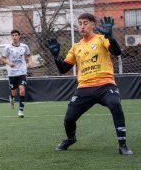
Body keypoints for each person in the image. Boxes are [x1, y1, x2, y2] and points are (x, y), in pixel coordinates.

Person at [45, 14, 132, 155]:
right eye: (80, 23)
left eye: (85, 23)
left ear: (93, 24)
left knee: (115, 104)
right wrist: (56, 57)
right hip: (84, 88)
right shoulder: (76, 47)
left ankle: (123, 145)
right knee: (69, 119)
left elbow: (117, 52)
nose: (82, 26)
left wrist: (111, 37)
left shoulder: (102, 38)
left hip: (105, 85)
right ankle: (71, 139)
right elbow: (63, 69)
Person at [0, 29, 32, 118]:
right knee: (14, 92)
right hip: (12, 73)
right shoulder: (7, 48)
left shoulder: (24, 46)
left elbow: (29, 55)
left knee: (22, 90)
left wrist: (30, 62)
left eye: (16, 35)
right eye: (13, 35)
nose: (14, 37)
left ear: (19, 36)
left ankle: (21, 110)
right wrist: (9, 63)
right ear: (11, 37)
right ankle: (12, 99)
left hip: (22, 71)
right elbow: (3, 58)